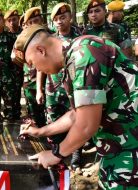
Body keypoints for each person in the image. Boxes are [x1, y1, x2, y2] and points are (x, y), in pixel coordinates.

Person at [13, 24, 138, 189]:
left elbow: (86, 125)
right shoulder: (75, 56)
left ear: (41, 50)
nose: (36, 69)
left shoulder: (83, 55)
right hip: (119, 146)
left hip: (130, 147)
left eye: (32, 63)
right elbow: (77, 114)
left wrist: (56, 153)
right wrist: (41, 131)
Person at [37, 2, 83, 171]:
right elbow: (41, 66)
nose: (59, 22)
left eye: (63, 17)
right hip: (53, 89)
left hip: (75, 90)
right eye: (56, 19)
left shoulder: (81, 37)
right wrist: (39, 89)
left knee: (76, 120)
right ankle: (56, 153)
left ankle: (76, 155)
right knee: (53, 120)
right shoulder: (49, 40)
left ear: (70, 17)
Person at [22, 7, 46, 126]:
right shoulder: (24, 39)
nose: (33, 25)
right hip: (29, 80)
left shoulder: (51, 35)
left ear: (41, 20)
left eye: (36, 20)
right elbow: (16, 58)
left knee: (49, 113)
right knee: (33, 113)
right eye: (30, 23)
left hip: (49, 82)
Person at [4, 9, 23, 119]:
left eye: (14, 19)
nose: (12, 22)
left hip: (25, 69)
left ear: (18, 19)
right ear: (6, 22)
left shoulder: (25, 32)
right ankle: (15, 115)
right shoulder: (5, 36)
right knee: (13, 95)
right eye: (9, 20)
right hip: (11, 71)